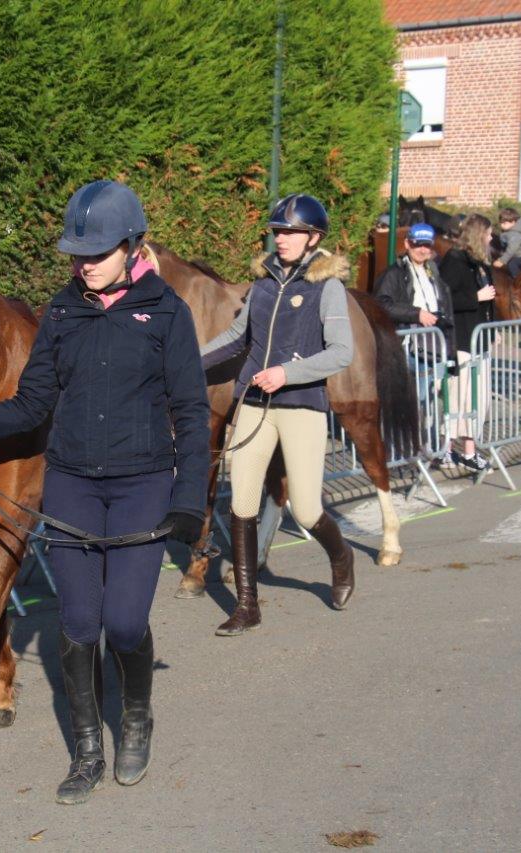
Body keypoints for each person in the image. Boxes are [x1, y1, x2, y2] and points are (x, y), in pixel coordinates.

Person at [0, 180, 210, 804]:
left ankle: (137, 719)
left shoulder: (167, 313)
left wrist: (188, 501)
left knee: (124, 624)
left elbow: (193, 412)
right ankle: (87, 751)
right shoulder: (62, 312)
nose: (82, 263)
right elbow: (30, 404)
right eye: (76, 253)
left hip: (142, 485)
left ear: (130, 246)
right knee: (77, 625)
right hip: (71, 484)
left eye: (95, 253)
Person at [200, 193, 356, 636]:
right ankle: (247, 606)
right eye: (277, 231)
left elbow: (341, 353)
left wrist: (287, 373)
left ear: (314, 238)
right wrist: (187, 360)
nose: (281, 238)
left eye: (290, 232)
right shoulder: (264, 283)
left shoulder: (327, 288)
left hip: (301, 406)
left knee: (306, 510)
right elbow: (236, 336)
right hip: (253, 403)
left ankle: (340, 558)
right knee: (242, 502)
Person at [372, 221, 453, 422]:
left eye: (427, 245)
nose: (422, 250)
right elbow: (381, 304)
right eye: (417, 244)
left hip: (432, 345)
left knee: (428, 402)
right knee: (408, 402)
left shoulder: (433, 271)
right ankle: (400, 449)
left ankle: (423, 447)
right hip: (407, 347)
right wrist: (415, 314)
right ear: (407, 244)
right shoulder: (394, 273)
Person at [437, 214, 496, 471]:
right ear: (478, 234)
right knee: (458, 398)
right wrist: (476, 296)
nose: (491, 238)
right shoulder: (454, 260)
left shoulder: (480, 263)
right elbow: (446, 300)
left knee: (478, 400)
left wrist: (493, 331)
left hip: (479, 340)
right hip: (461, 340)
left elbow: (490, 300)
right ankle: (446, 450)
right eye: (488, 233)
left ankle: (471, 452)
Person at [493, 207, 521, 279]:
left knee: (512, 264)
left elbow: (511, 249)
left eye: (505, 223)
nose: (502, 225)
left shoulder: (515, 235)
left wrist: (502, 261)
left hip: (519, 256)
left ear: (513, 222)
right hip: (512, 254)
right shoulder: (508, 232)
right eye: (501, 223)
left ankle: (519, 280)